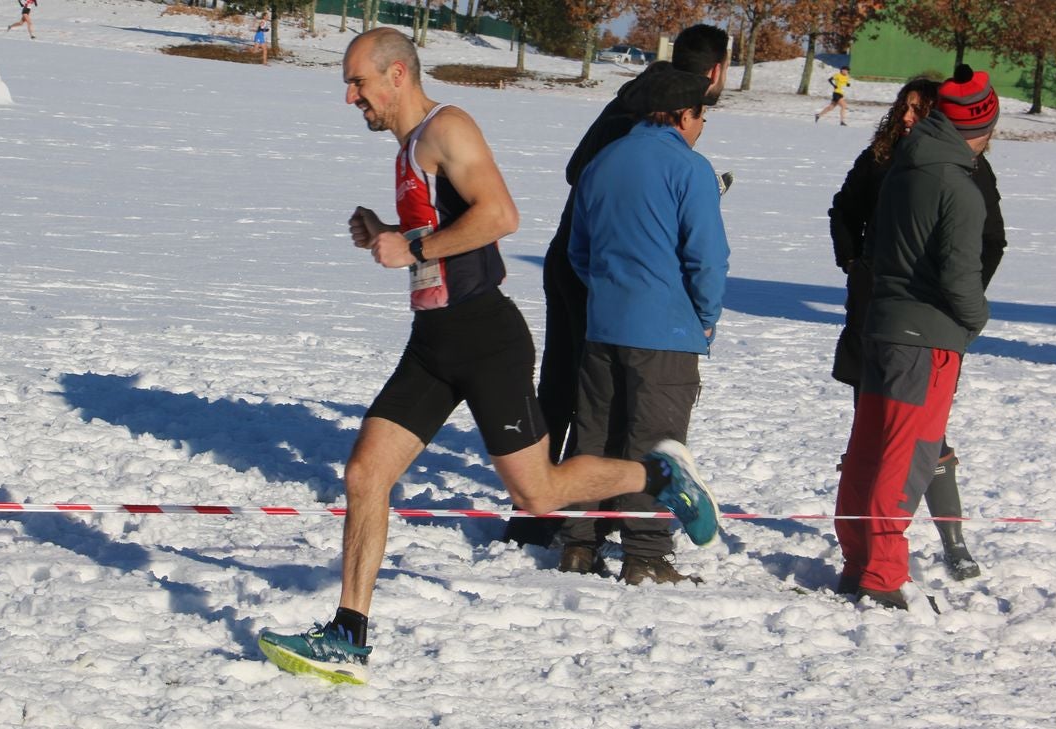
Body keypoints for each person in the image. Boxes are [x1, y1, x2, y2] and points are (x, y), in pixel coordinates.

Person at [256, 27, 719, 685]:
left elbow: (500, 215)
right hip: (434, 342)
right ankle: (348, 633)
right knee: (365, 474)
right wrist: (388, 234)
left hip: (486, 340)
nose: (351, 97)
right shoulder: (410, 148)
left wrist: (412, 250)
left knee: (539, 493)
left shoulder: (449, 128)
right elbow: (446, 234)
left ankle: (657, 476)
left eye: (357, 82)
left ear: (396, 76)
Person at [504, 23, 731, 553]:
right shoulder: (661, 106)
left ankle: (581, 517)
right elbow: (582, 173)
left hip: (589, 258)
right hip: (601, 267)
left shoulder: (642, 94)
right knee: (590, 396)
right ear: (716, 72)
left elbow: (582, 170)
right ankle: (546, 512)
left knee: (589, 397)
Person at [829, 74, 1007, 585]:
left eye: (918, 108)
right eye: (902, 108)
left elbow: (981, 245)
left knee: (884, 445)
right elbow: (957, 268)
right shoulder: (933, 175)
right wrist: (972, 314)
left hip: (898, 323)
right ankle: (879, 572)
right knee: (899, 451)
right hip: (910, 331)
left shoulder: (927, 170)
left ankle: (881, 556)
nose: (906, 117)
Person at [566, 69, 730, 586]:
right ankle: (645, 555)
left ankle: (578, 543)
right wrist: (704, 319)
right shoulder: (691, 169)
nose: (702, 126)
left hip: (603, 324)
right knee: (657, 442)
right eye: (702, 115)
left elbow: (579, 251)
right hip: (665, 332)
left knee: (595, 432)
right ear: (684, 115)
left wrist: (610, 294)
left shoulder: (602, 161)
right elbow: (707, 259)